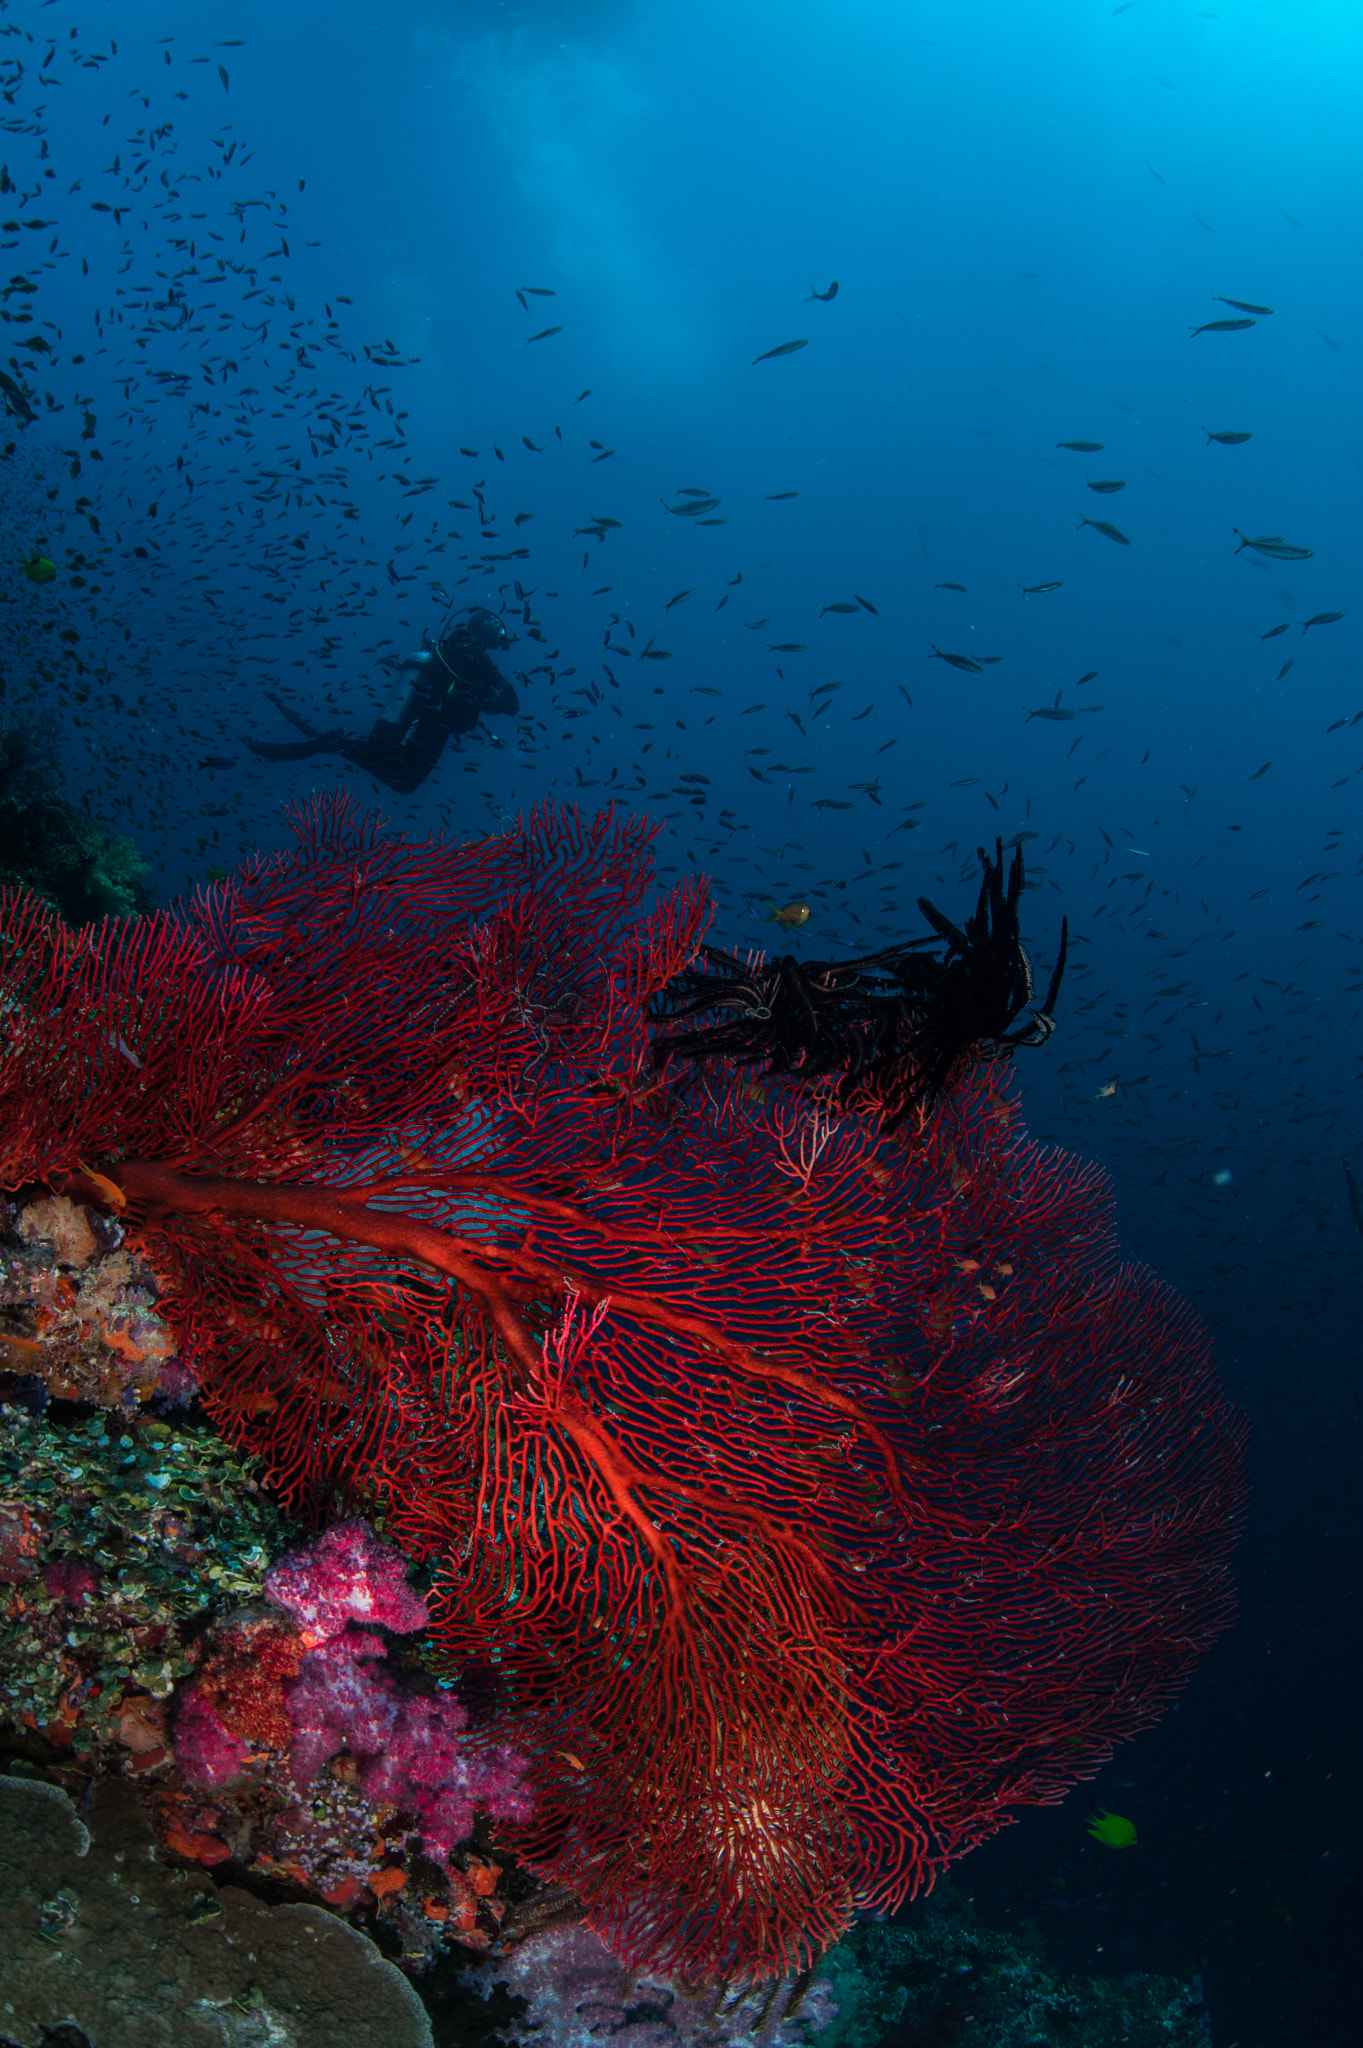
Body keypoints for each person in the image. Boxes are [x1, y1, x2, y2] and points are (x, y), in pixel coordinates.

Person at [245, 608, 519, 795]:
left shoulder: (450, 649)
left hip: (415, 716)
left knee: (390, 763)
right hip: (428, 723)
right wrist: (490, 698)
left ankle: (338, 745)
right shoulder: (476, 658)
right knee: (403, 779)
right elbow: (511, 702)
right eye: (498, 635)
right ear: (486, 633)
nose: (500, 641)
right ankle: (335, 743)